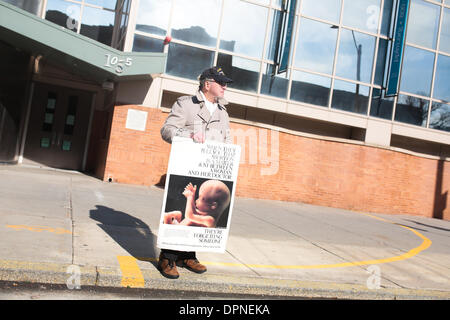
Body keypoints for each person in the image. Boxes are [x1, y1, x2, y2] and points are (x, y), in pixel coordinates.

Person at [158, 66, 233, 279]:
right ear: (207, 84)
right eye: (221, 82)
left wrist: (229, 159)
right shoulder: (185, 104)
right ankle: (168, 257)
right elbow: (167, 130)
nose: (225, 86)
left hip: (210, 169)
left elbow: (227, 140)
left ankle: (188, 255)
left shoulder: (223, 111)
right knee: (180, 209)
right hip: (185, 167)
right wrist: (189, 134)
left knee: (200, 214)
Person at [163, 180, 231, 228]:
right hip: (180, 229)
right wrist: (192, 195)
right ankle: (174, 225)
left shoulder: (210, 220)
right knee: (178, 214)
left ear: (213, 205)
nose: (196, 200)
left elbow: (189, 216)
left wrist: (189, 198)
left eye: (200, 198)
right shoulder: (203, 214)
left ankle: (168, 224)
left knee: (168, 216)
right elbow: (193, 212)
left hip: (180, 234)